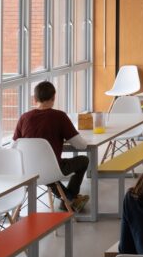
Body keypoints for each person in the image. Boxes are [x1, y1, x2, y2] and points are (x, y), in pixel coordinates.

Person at [13, 80, 89, 212]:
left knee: (45, 168)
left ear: (35, 98)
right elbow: (81, 145)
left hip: (26, 171)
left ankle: (68, 198)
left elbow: (14, 146)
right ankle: (70, 199)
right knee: (83, 160)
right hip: (51, 170)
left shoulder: (24, 118)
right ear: (54, 98)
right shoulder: (59, 117)